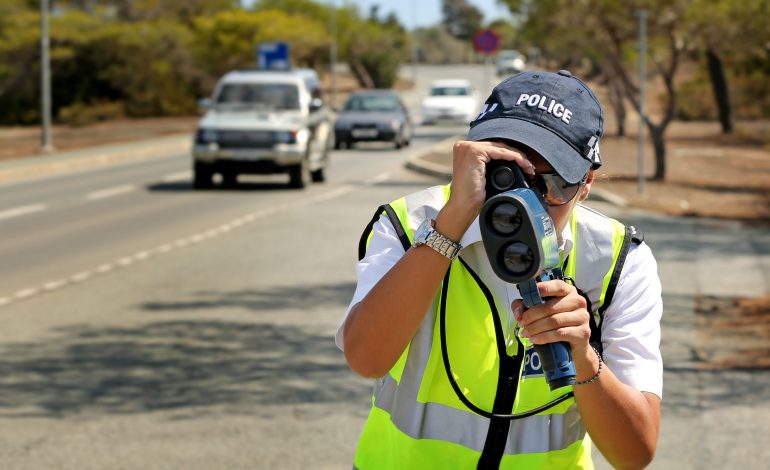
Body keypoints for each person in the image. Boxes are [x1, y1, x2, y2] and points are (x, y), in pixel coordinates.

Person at [336, 70, 662, 469]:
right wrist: (449, 225)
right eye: (505, 175)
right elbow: (366, 358)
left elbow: (634, 453)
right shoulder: (409, 225)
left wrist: (583, 355)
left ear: (587, 181)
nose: (527, 203)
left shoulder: (615, 258)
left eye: (552, 182)